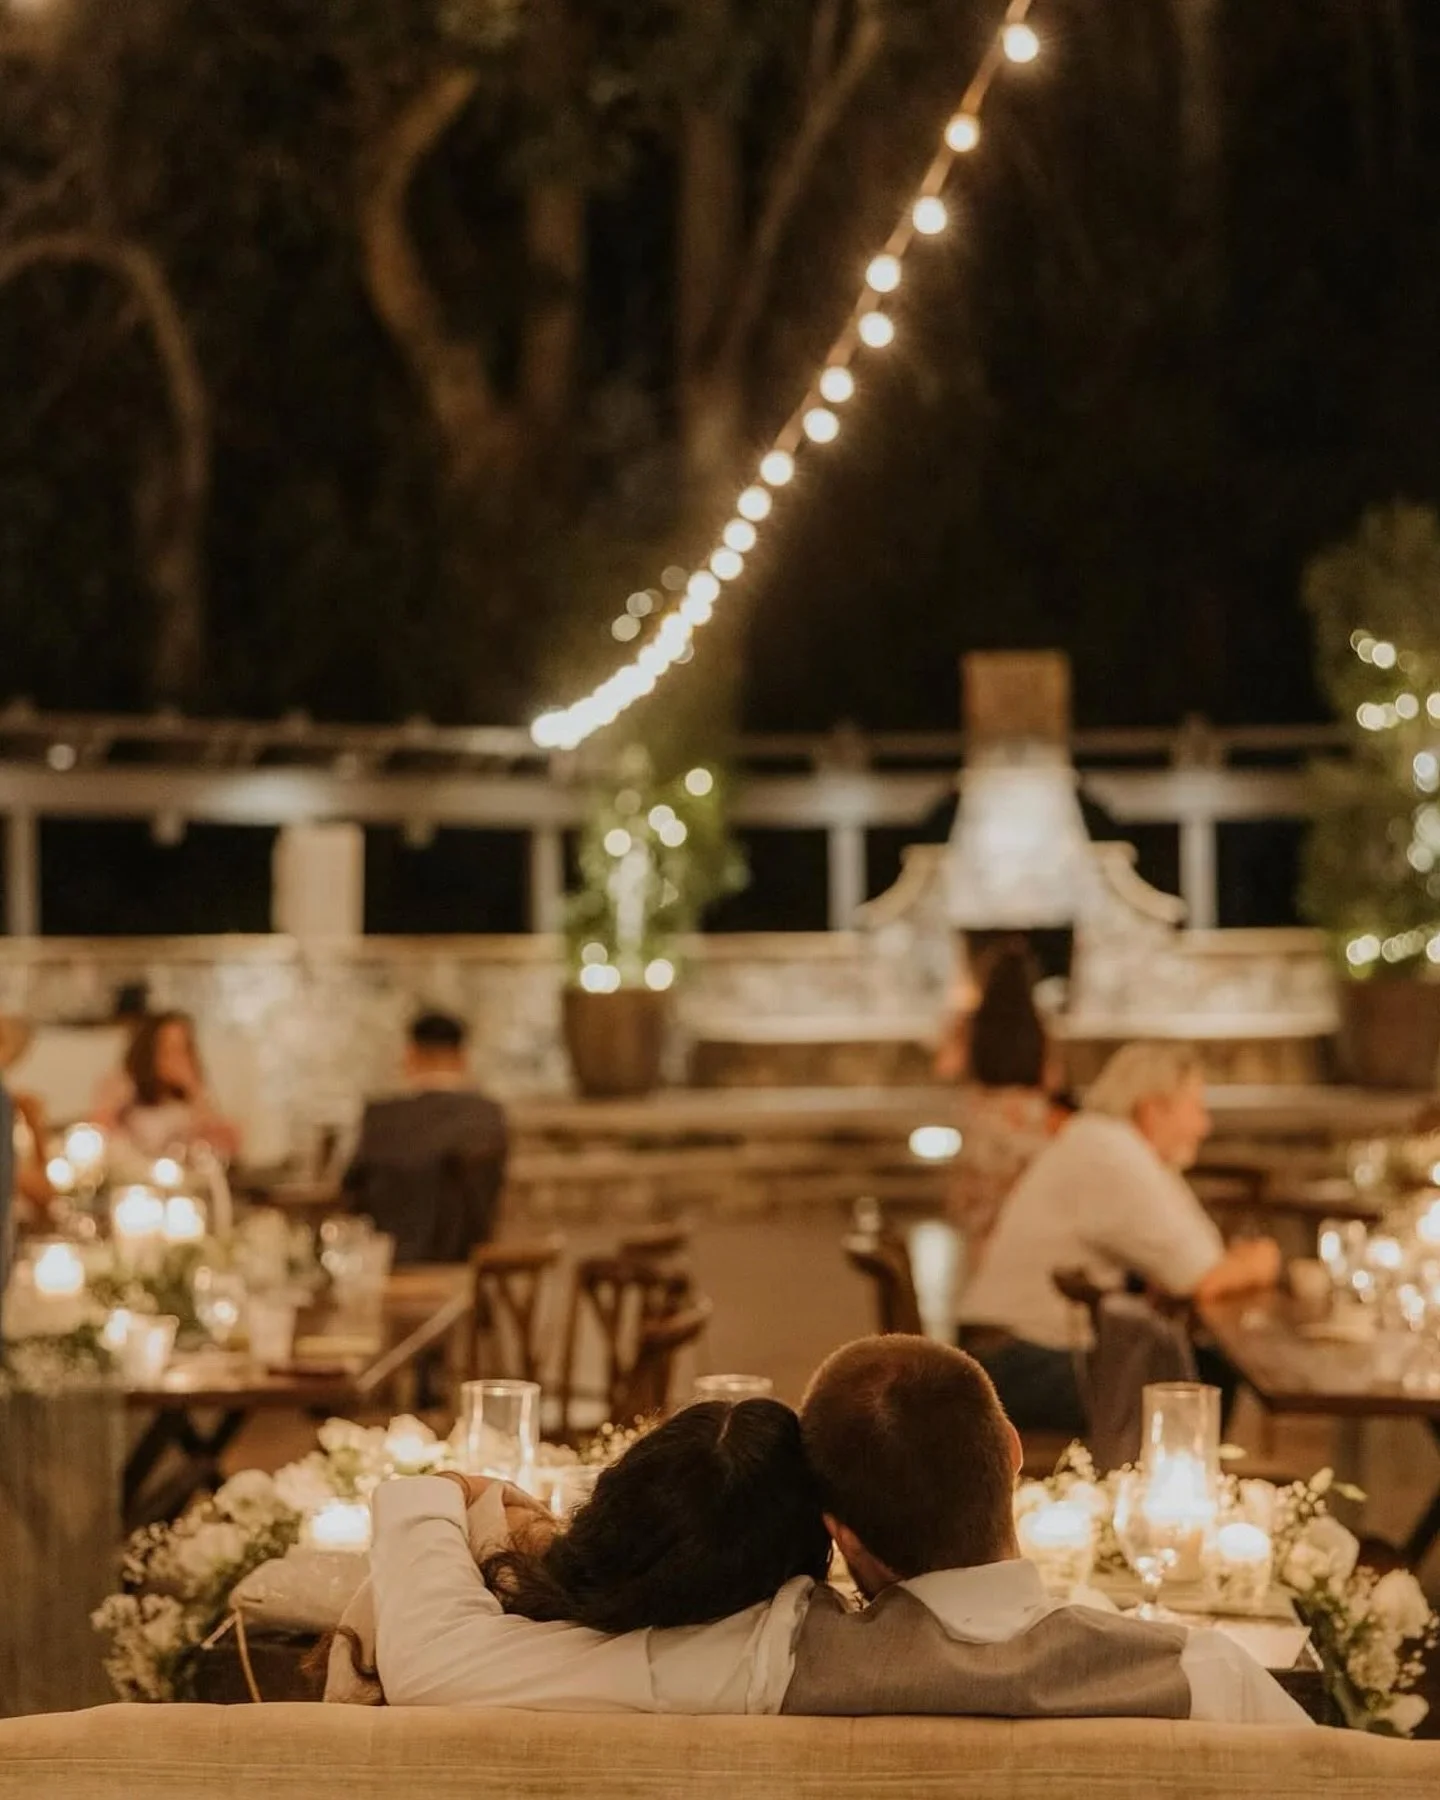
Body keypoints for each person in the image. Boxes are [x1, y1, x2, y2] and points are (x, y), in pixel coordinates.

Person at [355, 1338, 1306, 1725]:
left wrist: (435, 1492)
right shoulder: (1205, 1676)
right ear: (1013, 1452)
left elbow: (437, 1666)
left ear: (840, 1533)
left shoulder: (762, 1662)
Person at [957, 1042, 1281, 1435]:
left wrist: (1229, 1265)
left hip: (1012, 1354)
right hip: (1016, 1365)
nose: (1204, 1126)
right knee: (1197, 1380)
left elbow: (1198, 1261)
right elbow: (1204, 1278)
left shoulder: (1107, 1144)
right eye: (1195, 1108)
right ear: (1153, 1109)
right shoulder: (1111, 1154)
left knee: (1200, 1366)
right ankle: (1170, 1490)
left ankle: (1178, 1488)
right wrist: (1264, 1258)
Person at [340, 1009, 507, 1266]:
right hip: (464, 1267)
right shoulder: (487, 1117)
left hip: (386, 1268)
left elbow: (348, 1190)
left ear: (410, 1056)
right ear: (462, 1059)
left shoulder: (380, 1118)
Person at [945, 948, 1068, 1272]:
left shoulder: (973, 1023)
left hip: (984, 1119)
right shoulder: (1038, 1024)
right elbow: (1052, 1078)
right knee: (1023, 1215)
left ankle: (984, 1298)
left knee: (984, 1228)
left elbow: (949, 1067)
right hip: (1027, 1121)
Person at [93, 1009, 242, 1164]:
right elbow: (98, 1138)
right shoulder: (124, 1091)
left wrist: (194, 1090)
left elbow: (230, 1147)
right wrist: (110, 1103)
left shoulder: (189, 1103)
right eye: (168, 1049)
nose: (176, 1059)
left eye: (183, 1049)